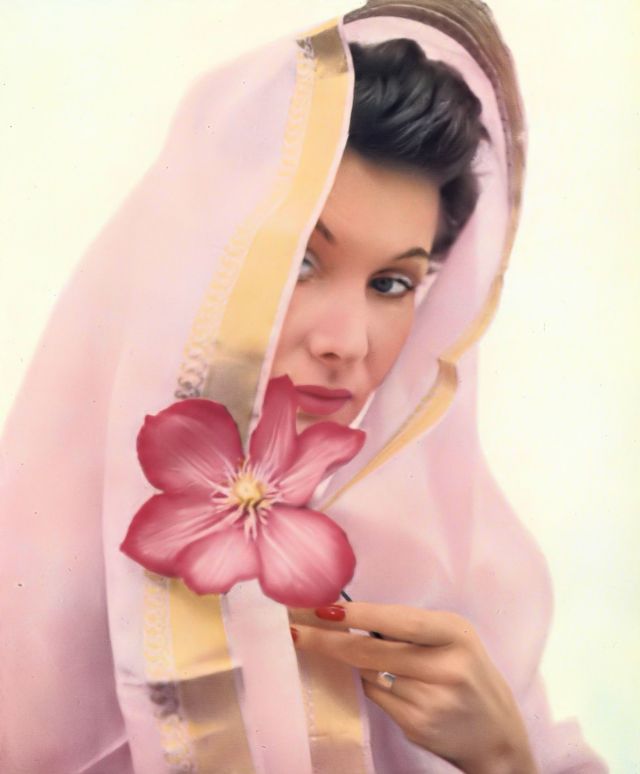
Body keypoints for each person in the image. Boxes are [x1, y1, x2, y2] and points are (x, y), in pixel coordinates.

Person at [0, 1, 607, 772]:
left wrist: (503, 758)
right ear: (202, 259)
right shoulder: (29, 582)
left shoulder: (456, 581)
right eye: (302, 263)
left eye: (392, 284)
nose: (346, 342)